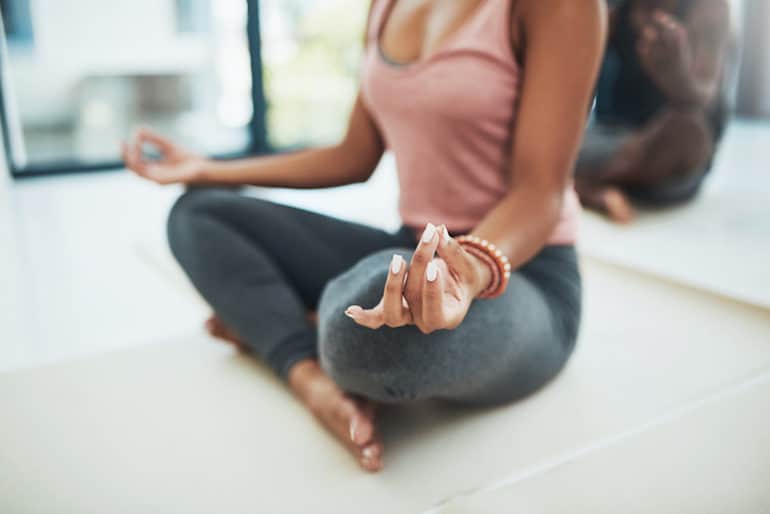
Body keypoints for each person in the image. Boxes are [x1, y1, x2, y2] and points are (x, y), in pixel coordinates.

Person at [123, 0, 605, 472]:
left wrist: (467, 269)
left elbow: (540, 194)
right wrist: (210, 169)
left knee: (363, 326)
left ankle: (285, 324)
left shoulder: (561, 7)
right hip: (411, 250)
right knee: (198, 213)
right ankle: (307, 372)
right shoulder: (385, 5)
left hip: (519, 274)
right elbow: (353, 155)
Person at [575, 0, 732, 223]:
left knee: (687, 133)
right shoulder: (614, 11)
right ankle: (589, 188)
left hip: (666, 146)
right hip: (612, 139)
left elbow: (705, 98)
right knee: (538, 139)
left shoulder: (708, 7)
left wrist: (676, 76)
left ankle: (578, 185)